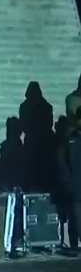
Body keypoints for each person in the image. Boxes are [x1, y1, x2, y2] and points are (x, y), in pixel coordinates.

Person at [58, 107, 81, 255]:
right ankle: (74, 245)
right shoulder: (71, 139)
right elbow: (62, 163)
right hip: (75, 186)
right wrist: (68, 183)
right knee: (76, 218)